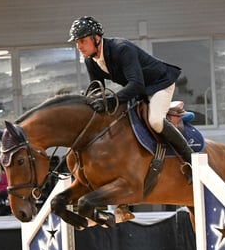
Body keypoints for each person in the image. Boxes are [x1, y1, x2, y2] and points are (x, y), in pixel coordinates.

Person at [68, 16, 194, 183]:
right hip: (138, 89)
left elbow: (136, 84)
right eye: (76, 42)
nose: (79, 46)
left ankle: (191, 161)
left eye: (82, 41)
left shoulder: (122, 49)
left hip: (159, 84)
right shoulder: (90, 60)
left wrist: (113, 100)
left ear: (96, 38)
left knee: (155, 121)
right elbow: (96, 88)